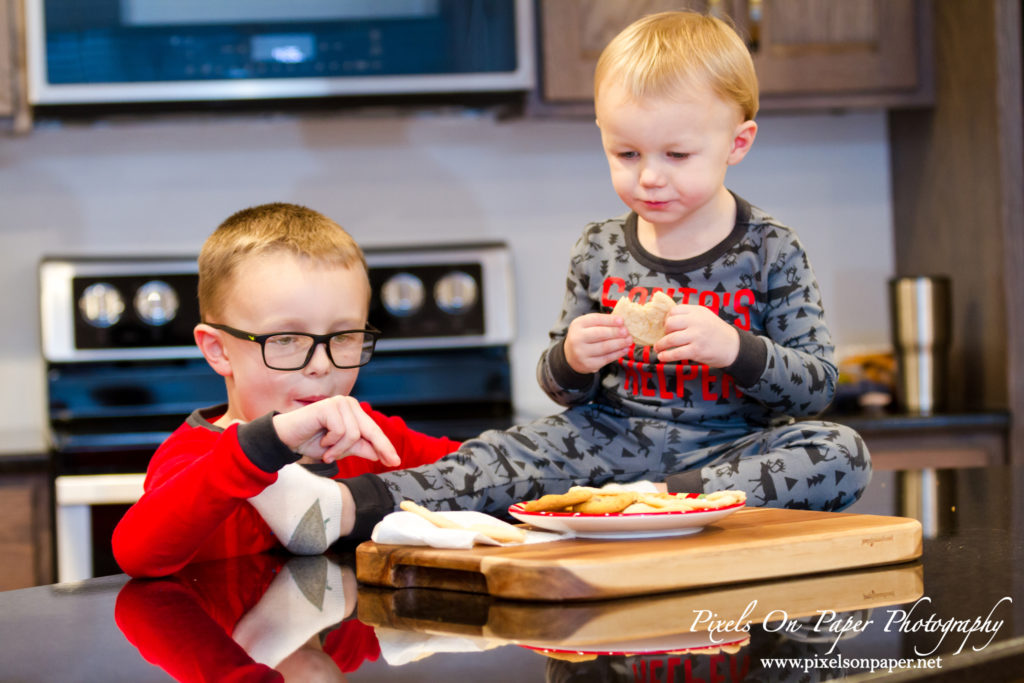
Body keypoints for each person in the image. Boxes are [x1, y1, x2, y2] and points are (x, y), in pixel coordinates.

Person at [330, 10, 871, 541]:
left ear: (737, 142)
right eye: (626, 152)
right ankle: (345, 506)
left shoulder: (772, 248)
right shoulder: (600, 246)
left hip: (730, 453)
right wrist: (572, 357)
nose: (650, 177)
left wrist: (734, 348)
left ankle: (657, 498)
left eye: (677, 154)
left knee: (840, 452)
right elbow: (559, 388)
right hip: (605, 442)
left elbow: (816, 389)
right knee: (498, 452)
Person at [112, 203, 461, 578]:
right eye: (286, 339)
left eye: (343, 336)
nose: (322, 364)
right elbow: (136, 554)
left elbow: (478, 475)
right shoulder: (197, 457)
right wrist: (264, 445)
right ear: (219, 350)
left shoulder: (371, 437)